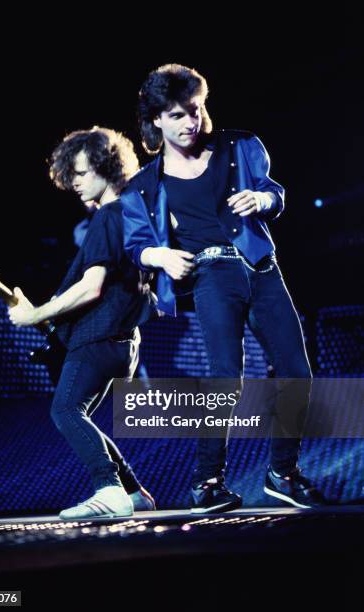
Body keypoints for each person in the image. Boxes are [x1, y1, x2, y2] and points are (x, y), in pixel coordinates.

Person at [121, 64, 326, 512]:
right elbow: (136, 244)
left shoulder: (241, 146)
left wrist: (263, 199)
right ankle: (206, 482)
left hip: (262, 268)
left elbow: (274, 191)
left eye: (194, 110)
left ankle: (282, 473)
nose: (190, 122)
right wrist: (159, 256)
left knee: (296, 368)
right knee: (224, 378)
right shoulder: (144, 186)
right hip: (212, 276)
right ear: (156, 119)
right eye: (176, 115)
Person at [9, 127, 156, 519]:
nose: (74, 183)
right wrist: (45, 309)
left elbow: (92, 289)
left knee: (66, 412)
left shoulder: (109, 217)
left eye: (81, 173)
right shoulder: (132, 213)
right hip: (121, 341)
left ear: (107, 167)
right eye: (70, 175)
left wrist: (33, 315)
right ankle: (134, 492)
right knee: (79, 414)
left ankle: (109, 490)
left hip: (100, 336)